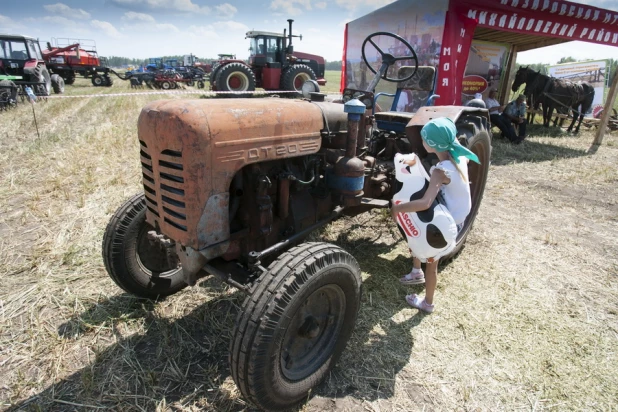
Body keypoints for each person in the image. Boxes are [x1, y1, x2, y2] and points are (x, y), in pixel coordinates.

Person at [391, 118, 480, 313]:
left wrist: (398, 208)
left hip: (448, 225)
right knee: (415, 224)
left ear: (431, 144)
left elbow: (425, 203)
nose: (422, 142)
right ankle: (416, 271)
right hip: (455, 214)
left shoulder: (441, 171)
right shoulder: (458, 157)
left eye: (424, 139)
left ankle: (428, 303)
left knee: (431, 263)